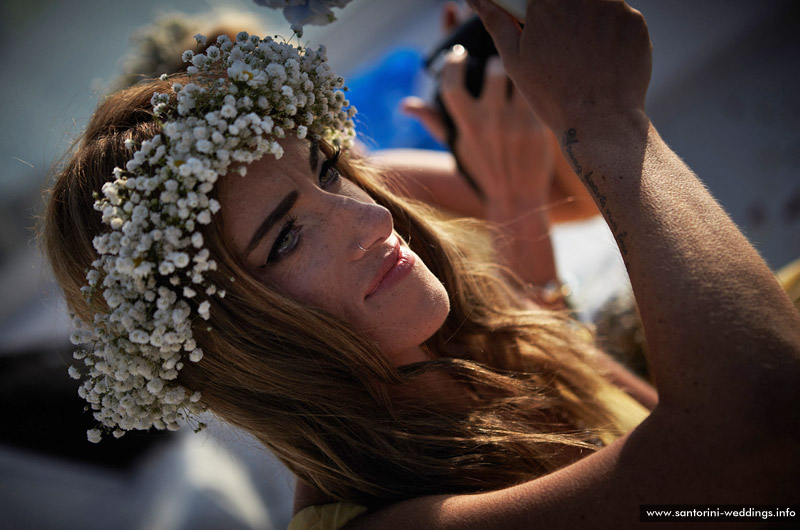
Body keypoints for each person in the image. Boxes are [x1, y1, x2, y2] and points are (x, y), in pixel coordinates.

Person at [39, 2, 798, 530]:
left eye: (331, 171)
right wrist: (608, 123)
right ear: (235, 339)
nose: (374, 217)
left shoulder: (472, 341)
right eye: (286, 239)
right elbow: (756, 444)